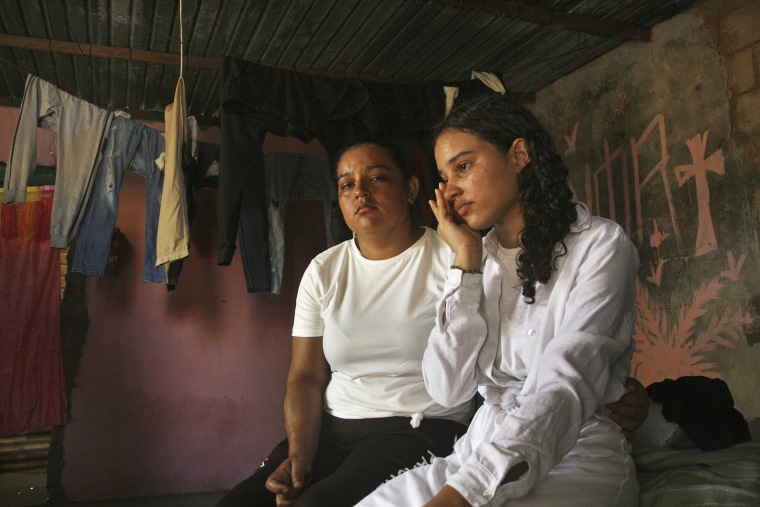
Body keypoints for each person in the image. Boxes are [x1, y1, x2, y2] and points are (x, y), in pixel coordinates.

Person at [217, 139, 647, 507]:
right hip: (335, 424)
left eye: (377, 178)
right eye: (347, 184)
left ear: (411, 189)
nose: (360, 192)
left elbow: (541, 354)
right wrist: (300, 453)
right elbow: (307, 375)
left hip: (417, 427)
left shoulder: (461, 257)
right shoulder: (324, 270)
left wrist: (610, 388)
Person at [357, 94, 641, 506]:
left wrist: (466, 493)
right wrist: (466, 264)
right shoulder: (477, 261)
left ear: (519, 155)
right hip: (475, 449)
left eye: (464, 166)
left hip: (577, 452)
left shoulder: (600, 246)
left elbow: (567, 379)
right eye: (444, 175)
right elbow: (447, 388)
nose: (450, 189)